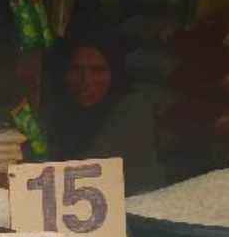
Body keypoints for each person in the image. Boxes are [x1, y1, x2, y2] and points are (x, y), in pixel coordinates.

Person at [43, 33, 167, 193]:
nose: (86, 81)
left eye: (98, 70)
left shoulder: (134, 108)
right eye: (76, 70)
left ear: (114, 73)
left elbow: (88, 171)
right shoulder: (59, 111)